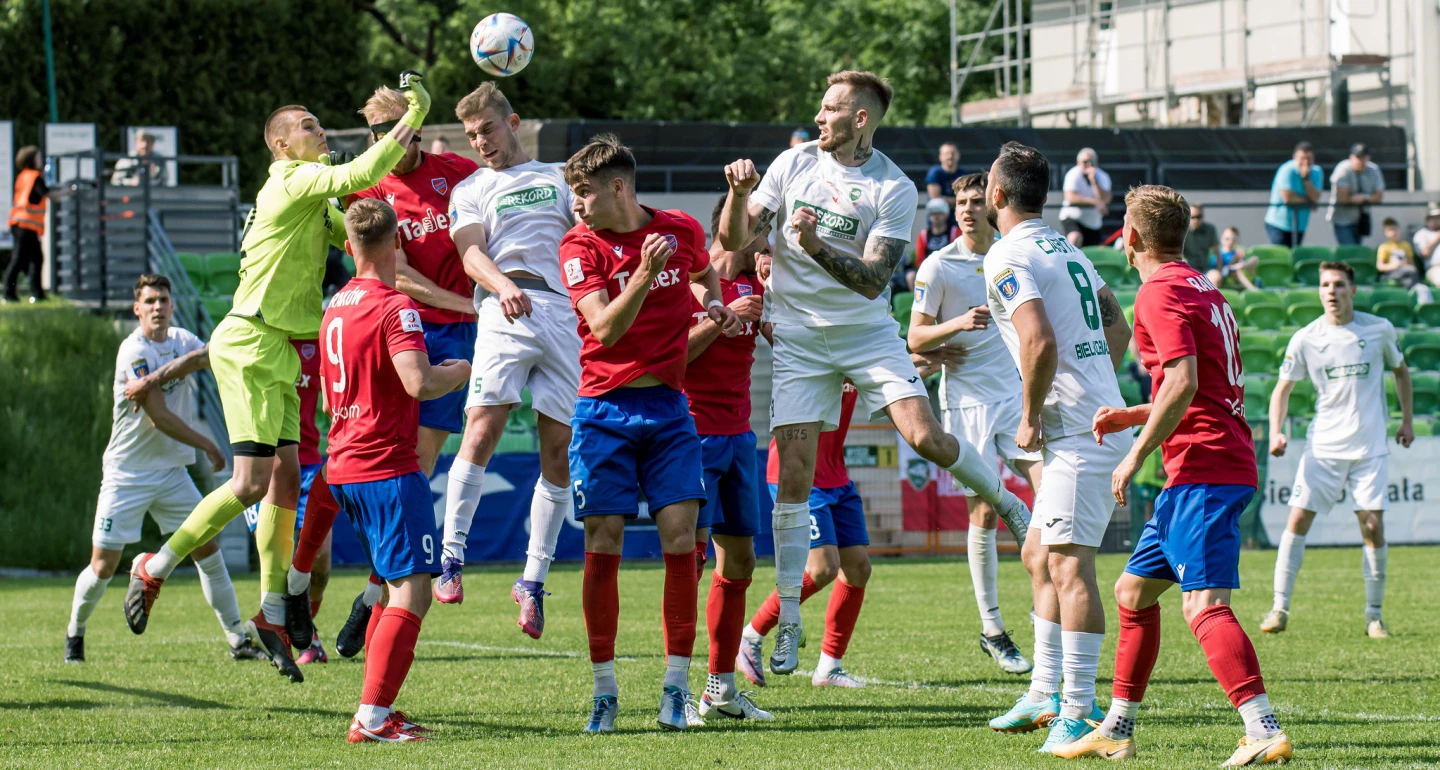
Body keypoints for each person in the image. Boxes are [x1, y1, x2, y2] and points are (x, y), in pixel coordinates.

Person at [120, 71, 432, 683]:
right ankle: (154, 567)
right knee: (248, 483)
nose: (321, 131)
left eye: (320, 123)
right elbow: (357, 174)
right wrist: (413, 114)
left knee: (286, 479)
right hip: (251, 342)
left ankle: (270, 609)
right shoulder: (290, 180)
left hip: (279, 349)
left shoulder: (309, 200)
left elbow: (363, 237)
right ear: (283, 145)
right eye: (309, 126)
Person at [718, 71, 1030, 679]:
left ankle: (1006, 503)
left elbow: (872, 280)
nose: (819, 116)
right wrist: (738, 194)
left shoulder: (894, 185)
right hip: (799, 339)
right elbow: (732, 243)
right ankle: (789, 624)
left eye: (830, 108)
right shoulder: (791, 164)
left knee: (926, 437)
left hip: (866, 333)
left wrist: (813, 246)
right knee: (794, 480)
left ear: (860, 119)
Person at [1065, 185, 1292, 766]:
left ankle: (1262, 728)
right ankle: (1117, 728)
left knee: (1203, 605)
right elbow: (1196, 387)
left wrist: (1134, 453)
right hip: (1205, 463)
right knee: (1132, 592)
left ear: (1131, 236)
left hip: (1204, 466)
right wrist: (1133, 415)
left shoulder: (1157, 292)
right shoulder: (1203, 286)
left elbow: (1185, 382)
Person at [560, 134, 741, 733]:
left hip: (669, 410)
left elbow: (705, 274)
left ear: (619, 187)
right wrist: (643, 274)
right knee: (604, 539)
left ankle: (675, 688)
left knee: (682, 538)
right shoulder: (578, 245)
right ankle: (604, 690)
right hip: (602, 411)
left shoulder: (680, 228)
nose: (577, 203)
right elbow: (604, 331)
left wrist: (711, 305)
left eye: (584, 191)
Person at [981, 141, 1132, 753]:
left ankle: (1079, 710)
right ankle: (1045, 691)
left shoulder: (1006, 254)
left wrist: (1029, 417)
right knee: (1040, 555)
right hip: (1087, 423)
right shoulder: (1066, 247)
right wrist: (1097, 386)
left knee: (1070, 569)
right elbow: (1117, 323)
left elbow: (1038, 341)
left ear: (997, 194)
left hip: (1075, 434)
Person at [322, 199, 470, 742]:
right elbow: (419, 382)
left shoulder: (335, 306)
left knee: (392, 589)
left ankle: (376, 708)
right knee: (412, 593)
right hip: (385, 463)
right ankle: (372, 717)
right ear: (398, 244)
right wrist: (460, 372)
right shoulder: (396, 306)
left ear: (349, 248)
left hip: (345, 462)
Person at [438, 83, 580, 638]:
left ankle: (533, 581)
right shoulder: (471, 188)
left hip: (563, 312)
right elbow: (471, 252)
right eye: (471, 135)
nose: (480, 142)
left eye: (488, 129)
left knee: (559, 448)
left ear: (513, 122)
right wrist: (501, 287)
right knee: (481, 429)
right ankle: (452, 557)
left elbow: (589, 233)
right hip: (505, 308)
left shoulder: (559, 177)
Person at [64, 274, 260, 664]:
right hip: (128, 473)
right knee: (102, 567)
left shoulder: (183, 340)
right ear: (137, 309)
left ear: (173, 305)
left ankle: (238, 640)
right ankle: (75, 633)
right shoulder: (132, 350)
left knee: (209, 551)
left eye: (163, 300)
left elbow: (210, 355)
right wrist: (208, 444)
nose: (157, 307)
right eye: (150, 301)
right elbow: (159, 417)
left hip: (172, 473)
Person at [908, 172, 1040, 675]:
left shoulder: (1011, 255)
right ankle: (993, 629)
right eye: (959, 201)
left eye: (973, 201)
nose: (965, 209)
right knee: (984, 513)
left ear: (990, 205)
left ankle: (1046, 611)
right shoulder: (938, 265)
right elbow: (915, 338)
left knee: (1050, 498)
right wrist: (958, 324)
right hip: (967, 405)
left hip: (1015, 396)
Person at [1264, 261, 1412, 640]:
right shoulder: (1306, 338)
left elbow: (1401, 371)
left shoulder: (1379, 329)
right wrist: (1277, 431)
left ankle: (1374, 616)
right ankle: (1279, 608)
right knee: (1298, 519)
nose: (1332, 291)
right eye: (1325, 285)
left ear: (1353, 290)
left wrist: (1407, 421)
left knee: (1372, 526)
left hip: (1369, 447)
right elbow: (1282, 389)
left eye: (1339, 285)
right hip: (1324, 447)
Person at [345, 86, 480, 477]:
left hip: (454, 332)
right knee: (380, 448)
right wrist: (468, 304)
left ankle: (411, 517)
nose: (387, 141)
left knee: (420, 459)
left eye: (396, 130)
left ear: (416, 130)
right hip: (396, 326)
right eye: (378, 134)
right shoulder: (366, 189)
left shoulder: (458, 171)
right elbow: (396, 273)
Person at [685, 195, 773, 724]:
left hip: (740, 437)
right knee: (688, 564)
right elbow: (669, 357)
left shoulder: (760, 283)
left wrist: (779, 298)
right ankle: (675, 690)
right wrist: (722, 321)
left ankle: (719, 688)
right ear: (733, 224)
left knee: (740, 561)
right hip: (691, 434)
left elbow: (788, 343)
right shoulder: (691, 277)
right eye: (763, 226)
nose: (768, 237)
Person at [740, 383, 871, 690]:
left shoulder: (861, 357)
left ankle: (829, 667)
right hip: (798, 474)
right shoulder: (818, 358)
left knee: (858, 568)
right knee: (822, 568)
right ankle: (751, 636)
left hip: (835, 475)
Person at [6, 145, 49, 303]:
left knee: (33, 258)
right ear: (31, 159)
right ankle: (10, 293)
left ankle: (36, 293)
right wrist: (69, 191)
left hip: (19, 222)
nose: (41, 160)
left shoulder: (24, 176)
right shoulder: (35, 176)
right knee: (22, 259)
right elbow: (47, 193)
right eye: (38, 157)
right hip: (26, 224)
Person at [1263, 142, 1323, 247]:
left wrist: (1306, 179)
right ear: (1295, 157)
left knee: (1294, 253)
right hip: (1278, 224)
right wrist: (1309, 202)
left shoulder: (1317, 171)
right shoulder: (1286, 170)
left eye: (1308, 159)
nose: (1305, 162)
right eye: (1302, 158)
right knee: (1282, 255)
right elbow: (1288, 198)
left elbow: (1315, 198)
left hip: (1300, 225)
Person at [1327, 143, 1384, 246]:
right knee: (1349, 250)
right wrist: (1368, 198)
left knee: (1357, 250)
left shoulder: (1374, 169)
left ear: (1368, 158)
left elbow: (1379, 197)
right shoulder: (1343, 169)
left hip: (1361, 220)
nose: (1360, 161)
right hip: (1342, 219)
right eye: (1358, 157)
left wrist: (1363, 197)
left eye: (1363, 158)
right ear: (1351, 157)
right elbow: (1343, 198)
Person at [1059, 148, 1111, 248]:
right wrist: (1094, 202)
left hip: (1093, 223)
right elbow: (1070, 198)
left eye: (1092, 161)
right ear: (1078, 163)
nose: (1089, 164)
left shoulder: (1103, 176)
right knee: (1075, 237)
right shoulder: (1073, 174)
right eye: (1085, 162)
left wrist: (1094, 181)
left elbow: (1106, 199)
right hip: (1073, 217)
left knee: (1091, 252)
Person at [906, 197, 959, 291]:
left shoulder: (955, 232)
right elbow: (920, 260)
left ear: (946, 215)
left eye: (939, 213)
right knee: (910, 276)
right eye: (933, 213)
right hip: (928, 270)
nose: (936, 216)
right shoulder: (923, 235)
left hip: (950, 269)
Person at [1209, 227, 1259, 292]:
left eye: (1233, 239)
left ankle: (1253, 282)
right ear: (1222, 239)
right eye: (1227, 239)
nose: (1230, 242)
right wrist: (1235, 260)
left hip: (1240, 269)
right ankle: (1253, 289)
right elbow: (1219, 269)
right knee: (1237, 270)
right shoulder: (1218, 253)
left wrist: (1240, 260)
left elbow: (1244, 262)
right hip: (1226, 273)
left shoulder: (1237, 252)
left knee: (1254, 259)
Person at [1376, 217, 1420, 288]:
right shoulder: (1384, 247)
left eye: (1395, 229)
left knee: (1411, 272)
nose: (1394, 232)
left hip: (1406, 271)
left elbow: (1412, 264)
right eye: (1390, 230)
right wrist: (1395, 265)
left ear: (1399, 229)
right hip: (1390, 273)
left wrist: (1405, 264)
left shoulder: (1406, 245)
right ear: (1385, 232)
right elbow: (1380, 266)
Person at [925, 142, 963, 221]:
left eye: (953, 153)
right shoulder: (935, 172)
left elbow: (965, 196)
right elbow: (936, 199)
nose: (950, 156)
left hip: (958, 217)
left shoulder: (962, 173)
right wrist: (959, 200)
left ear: (958, 155)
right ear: (940, 156)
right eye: (946, 154)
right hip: (939, 219)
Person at [1181, 204, 1220, 273]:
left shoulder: (1210, 229)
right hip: (1187, 269)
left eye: (1198, 217)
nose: (1196, 220)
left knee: (1216, 275)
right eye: (1193, 217)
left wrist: (1219, 269)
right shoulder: (1182, 230)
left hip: (1205, 270)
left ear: (1203, 216)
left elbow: (1217, 252)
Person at [1413, 204, 1440, 284]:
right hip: (1434, 269)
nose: (1436, 220)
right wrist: (1437, 238)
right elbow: (1424, 253)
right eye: (1433, 218)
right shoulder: (1421, 234)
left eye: (1438, 217)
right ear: (1427, 219)